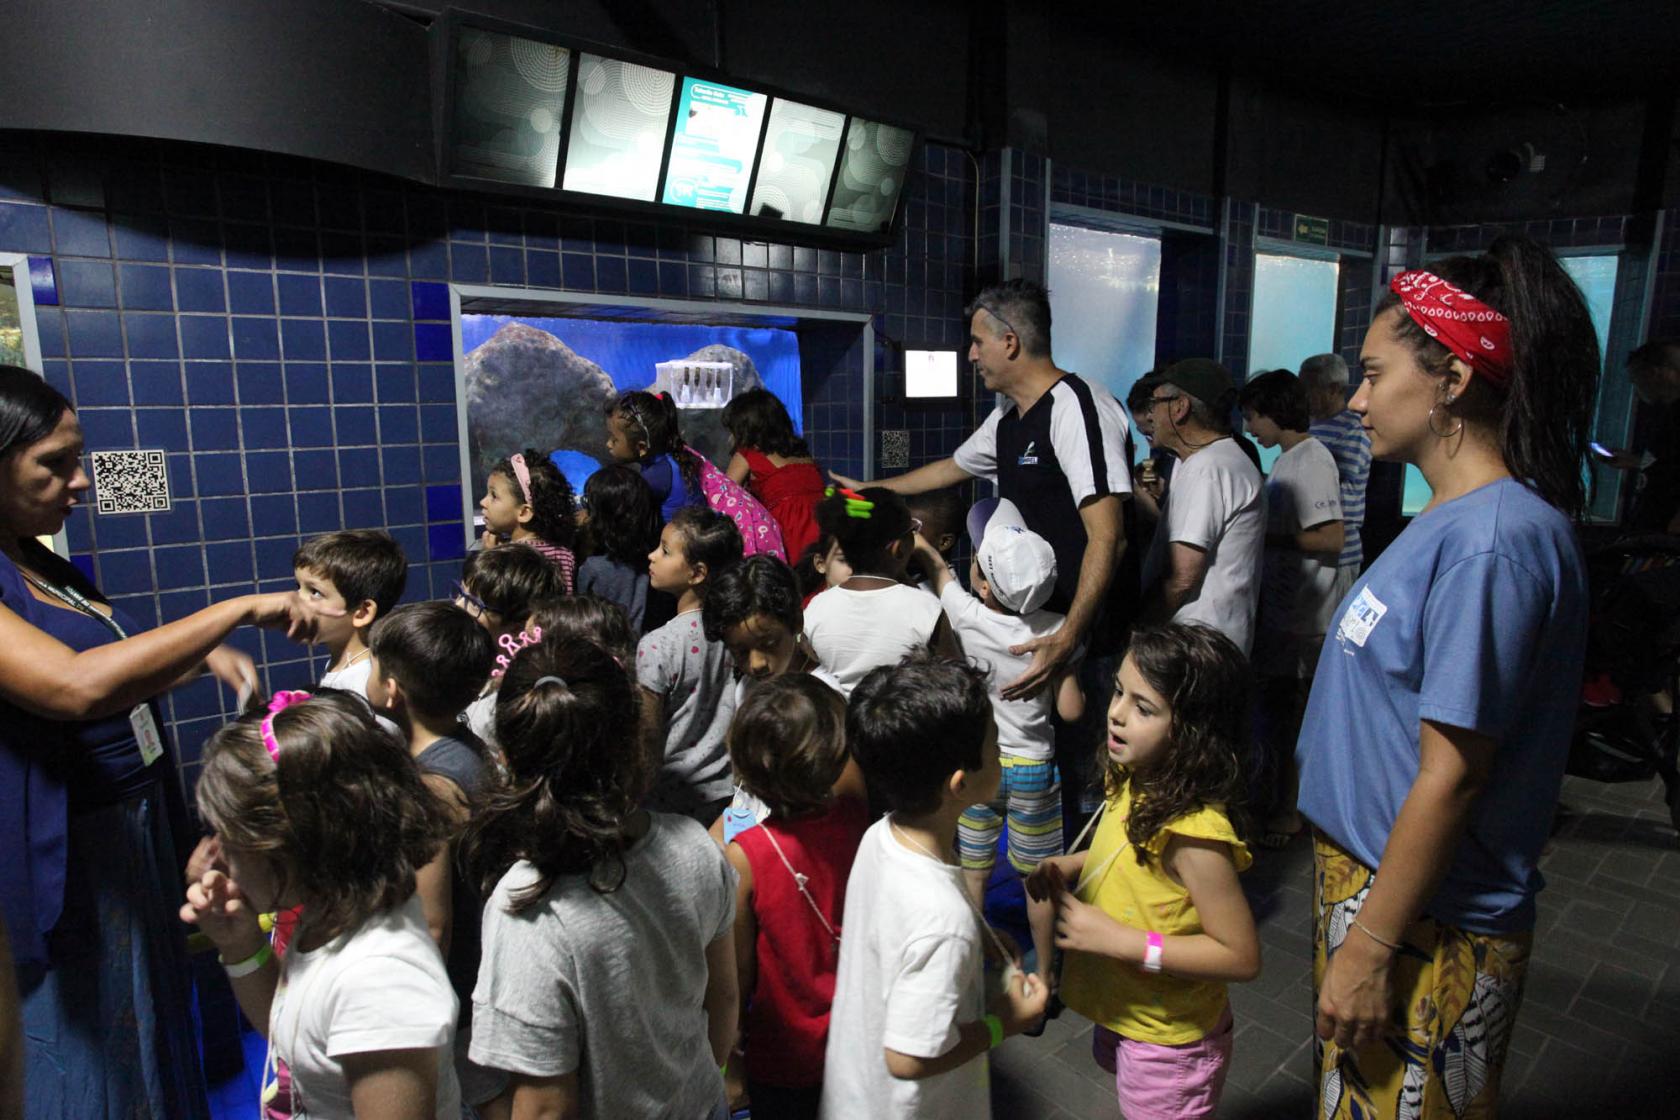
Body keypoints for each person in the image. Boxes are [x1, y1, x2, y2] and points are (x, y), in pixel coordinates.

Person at [1295, 238, 1599, 1120]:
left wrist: (1371, 944)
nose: (1355, 399)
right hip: (1382, 890)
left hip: (1428, 917)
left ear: (1453, 380)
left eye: (1373, 372)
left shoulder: (1493, 542)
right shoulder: (1450, 518)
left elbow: (1455, 770)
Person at [0, 364, 321, 1119]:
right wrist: (233, 612)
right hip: (73, 845)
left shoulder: (36, 556)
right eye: (54, 464)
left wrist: (187, 663)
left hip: (130, 824)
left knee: (152, 1016)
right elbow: (73, 686)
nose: (79, 482)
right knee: (96, 1038)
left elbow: (106, 675)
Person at [464, 634, 738, 1120]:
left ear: (506, 757)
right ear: (634, 738)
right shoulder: (695, 845)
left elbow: (546, 1107)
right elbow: (723, 997)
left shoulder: (528, 908)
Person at [832, 279, 1133, 691]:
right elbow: (951, 467)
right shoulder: (1009, 416)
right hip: (1032, 624)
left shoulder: (1077, 408)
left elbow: (1108, 536)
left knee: (1082, 744)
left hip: (1082, 638)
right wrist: (871, 488)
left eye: (977, 343)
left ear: (1010, 342)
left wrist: (1070, 636)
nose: (972, 355)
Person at [182, 690, 459, 1119]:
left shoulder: (377, 984)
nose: (216, 855)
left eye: (228, 835)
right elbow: (293, 1038)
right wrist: (240, 945)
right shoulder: (330, 917)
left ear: (285, 844)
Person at [1028, 623, 1259, 1120]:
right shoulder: (1138, 773)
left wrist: (1123, 941)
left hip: (1168, 1042)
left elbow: (1240, 956)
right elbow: (1125, 855)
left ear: (1193, 731)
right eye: (1118, 691)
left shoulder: (1195, 835)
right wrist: (1068, 865)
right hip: (1128, 1010)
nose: (1115, 714)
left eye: (1143, 707)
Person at [820, 655, 1048, 1119]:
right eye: (995, 745)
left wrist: (979, 935)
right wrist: (1004, 1023)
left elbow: (905, 925)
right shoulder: (942, 920)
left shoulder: (882, 835)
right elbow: (907, 1058)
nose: (1001, 754)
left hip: (856, 1094)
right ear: (959, 784)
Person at [916, 498, 1083, 990]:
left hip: (981, 767)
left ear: (985, 586)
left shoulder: (969, 617)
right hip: (1033, 769)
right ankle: (1046, 973)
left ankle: (973, 965)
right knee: (1037, 876)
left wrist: (920, 542)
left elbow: (937, 567)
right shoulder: (1055, 630)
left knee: (974, 871)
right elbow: (1072, 711)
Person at [365, 602, 501, 1115]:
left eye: (375, 665)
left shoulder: (433, 787)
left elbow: (434, 923)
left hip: (460, 991)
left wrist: (420, 1016)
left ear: (394, 689)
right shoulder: (465, 746)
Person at [722, 675, 868, 1120]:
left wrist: (731, 1065)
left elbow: (738, 975)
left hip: (782, 1054)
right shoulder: (859, 817)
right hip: (859, 1037)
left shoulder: (746, 855)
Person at [1239, 369, 1343, 849]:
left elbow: (1330, 537)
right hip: (1286, 617)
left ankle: (1289, 812)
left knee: (1292, 723)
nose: (1250, 427)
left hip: (1307, 622)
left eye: (1253, 416)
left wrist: (1267, 536)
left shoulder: (1312, 459)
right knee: (1278, 720)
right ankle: (1277, 805)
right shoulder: (1286, 460)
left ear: (1274, 411)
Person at [703, 555, 847, 844]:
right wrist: (721, 842)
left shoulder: (825, 702)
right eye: (740, 651)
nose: (756, 664)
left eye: (768, 644)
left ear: (796, 621)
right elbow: (746, 796)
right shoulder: (748, 687)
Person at [1138, 358, 1265, 656]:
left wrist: (1142, 626)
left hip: (1196, 645)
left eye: (1154, 403)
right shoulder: (1221, 459)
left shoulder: (1208, 467)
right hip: (1215, 640)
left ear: (1179, 407)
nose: (1150, 414)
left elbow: (1182, 577)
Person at [638, 506, 744, 824]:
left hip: (672, 803)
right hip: (733, 797)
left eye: (665, 551)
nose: (652, 556)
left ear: (697, 573)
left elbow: (648, 737)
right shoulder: (741, 631)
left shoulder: (658, 645)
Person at [800, 487, 959, 695]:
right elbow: (957, 681)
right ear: (899, 548)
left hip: (842, 723)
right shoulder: (926, 608)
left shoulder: (816, 608)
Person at [454, 546, 567, 749]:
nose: (458, 606)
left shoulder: (519, 699)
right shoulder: (461, 661)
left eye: (473, 604)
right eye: (461, 592)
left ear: (518, 628)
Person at [293, 529, 408, 704]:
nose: (293, 600)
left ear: (362, 613)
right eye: (298, 586)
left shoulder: (366, 686)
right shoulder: (343, 663)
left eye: (315, 592)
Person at [723, 389, 826, 562]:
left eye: (732, 431)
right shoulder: (804, 457)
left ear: (744, 429)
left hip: (789, 535)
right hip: (822, 530)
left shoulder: (747, 455)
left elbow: (723, 498)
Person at [1302, 353, 1372, 598]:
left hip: (1341, 555)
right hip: (1310, 548)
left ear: (1334, 389)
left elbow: (1339, 469)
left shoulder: (1355, 427)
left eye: (1309, 388)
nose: (1304, 397)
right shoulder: (1307, 425)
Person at [1603, 339, 1680, 533]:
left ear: (1654, 373)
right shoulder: (1667, 414)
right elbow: (1669, 466)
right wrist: (1635, 462)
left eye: (1635, 380)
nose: (1636, 390)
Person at [478, 450, 579, 594]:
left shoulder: (511, 559)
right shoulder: (564, 554)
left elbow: (494, 602)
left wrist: (489, 558)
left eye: (494, 496)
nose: (483, 502)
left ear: (524, 513)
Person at [575, 464, 660, 633]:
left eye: (587, 502)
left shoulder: (593, 568)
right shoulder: (653, 561)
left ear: (599, 516)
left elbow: (580, 616)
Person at [604, 389, 705, 523]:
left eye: (614, 439)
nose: (608, 444)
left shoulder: (655, 477)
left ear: (641, 447)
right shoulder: (670, 458)